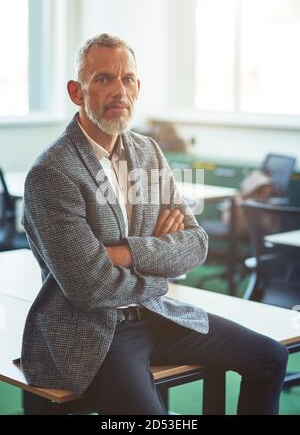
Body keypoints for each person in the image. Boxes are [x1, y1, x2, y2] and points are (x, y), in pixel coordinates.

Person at [21, 33, 288, 415]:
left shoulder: (147, 151)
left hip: (155, 313)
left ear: (138, 87)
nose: (119, 90)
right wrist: (159, 268)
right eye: (103, 79)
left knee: (270, 357)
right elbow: (88, 287)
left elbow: (196, 242)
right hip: (94, 331)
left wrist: (124, 252)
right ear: (76, 92)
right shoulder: (53, 172)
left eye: (127, 79)